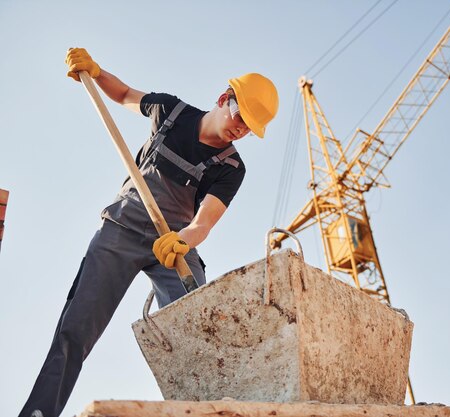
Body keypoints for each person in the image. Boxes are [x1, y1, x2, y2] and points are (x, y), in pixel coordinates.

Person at [19, 48, 279, 417]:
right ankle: (39, 413)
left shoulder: (232, 167)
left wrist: (181, 240)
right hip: (122, 228)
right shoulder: (170, 112)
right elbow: (125, 95)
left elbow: (203, 222)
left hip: (173, 246)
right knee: (75, 329)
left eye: (251, 126)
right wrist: (96, 71)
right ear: (224, 99)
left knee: (196, 334)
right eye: (241, 116)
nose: (242, 128)